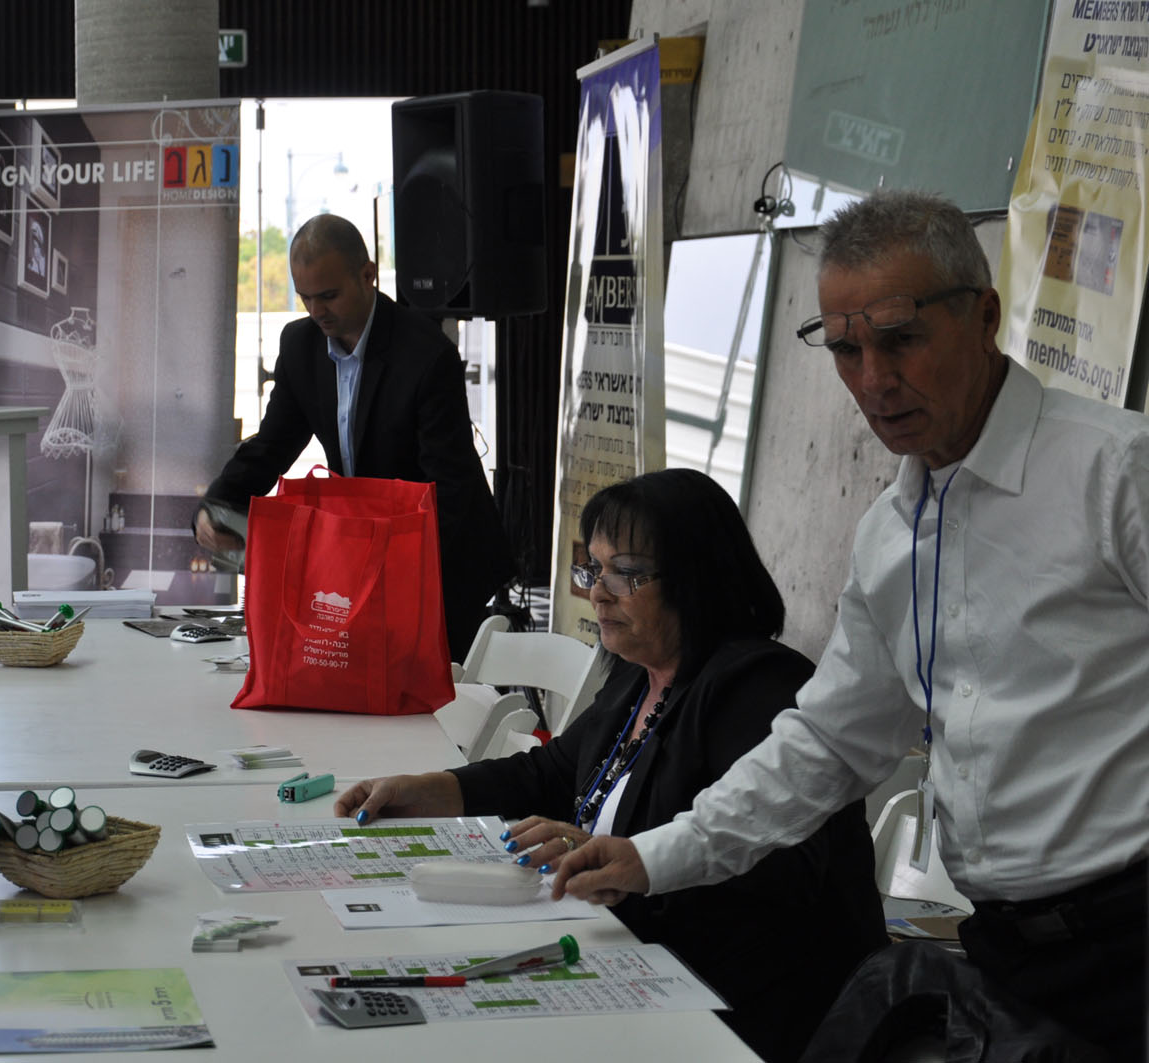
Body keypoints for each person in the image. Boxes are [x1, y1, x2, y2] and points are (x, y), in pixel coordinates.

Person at [552, 190, 1149, 1062]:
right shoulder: (890, 534)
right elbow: (829, 746)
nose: (873, 379)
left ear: (984, 316)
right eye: (844, 348)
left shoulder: (1115, 472)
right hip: (1004, 951)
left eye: (901, 338)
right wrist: (656, 854)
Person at [336, 469, 886, 1061]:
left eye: (626, 573)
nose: (599, 592)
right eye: (593, 569)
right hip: (633, 957)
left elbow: (779, 878)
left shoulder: (761, 688)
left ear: (696, 577)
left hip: (750, 1008)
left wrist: (626, 861)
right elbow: (550, 773)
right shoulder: (639, 672)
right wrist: (428, 790)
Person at [194, 213, 512, 659]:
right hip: (366, 561)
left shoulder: (426, 354)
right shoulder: (300, 345)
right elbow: (272, 445)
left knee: (433, 696)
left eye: (328, 296)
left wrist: (386, 570)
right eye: (305, 297)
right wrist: (217, 505)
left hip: (444, 562)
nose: (316, 311)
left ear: (367, 275)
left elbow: (449, 490)